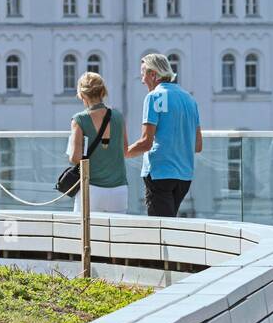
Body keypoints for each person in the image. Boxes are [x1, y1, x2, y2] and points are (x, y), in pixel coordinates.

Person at [125, 53, 202, 217]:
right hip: (184, 176)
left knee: (160, 231)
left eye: (143, 75)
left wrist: (122, 153)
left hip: (160, 173)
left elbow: (146, 142)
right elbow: (197, 145)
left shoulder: (154, 97)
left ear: (153, 74)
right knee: (169, 225)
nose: (142, 80)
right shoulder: (190, 99)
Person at [66, 71, 129, 213]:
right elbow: (125, 150)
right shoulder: (118, 116)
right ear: (103, 92)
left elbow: (75, 157)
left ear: (82, 95)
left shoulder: (80, 119)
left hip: (92, 188)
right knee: (114, 235)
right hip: (119, 189)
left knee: (85, 233)